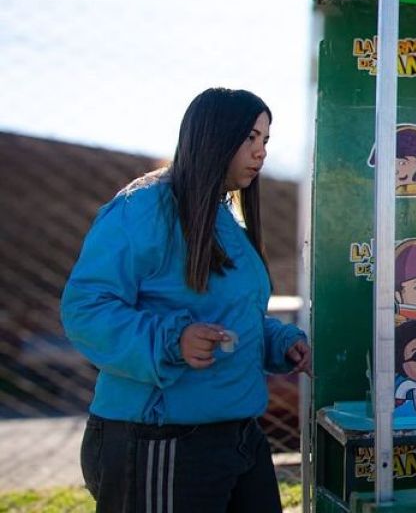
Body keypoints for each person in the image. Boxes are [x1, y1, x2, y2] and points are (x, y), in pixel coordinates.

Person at [61, 88, 311, 513]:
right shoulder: (143, 209)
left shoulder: (222, 216)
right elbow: (86, 309)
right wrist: (172, 342)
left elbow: (229, 316)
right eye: (250, 138)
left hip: (238, 434)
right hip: (161, 437)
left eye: (265, 140)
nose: (260, 152)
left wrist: (278, 341)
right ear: (213, 135)